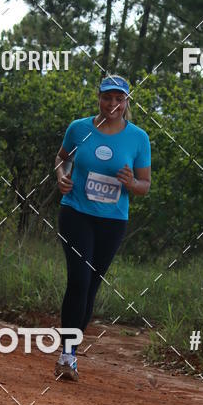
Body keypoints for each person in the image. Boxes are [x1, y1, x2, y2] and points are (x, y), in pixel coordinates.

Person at [54, 75, 151, 381]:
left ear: (126, 103)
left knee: (92, 286)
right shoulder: (79, 128)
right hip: (76, 213)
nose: (113, 105)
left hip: (113, 221)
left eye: (119, 99)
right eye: (107, 98)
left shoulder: (138, 138)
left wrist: (130, 183)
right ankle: (67, 355)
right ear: (98, 98)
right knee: (79, 281)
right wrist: (62, 176)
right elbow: (61, 158)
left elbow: (144, 185)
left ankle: (71, 348)